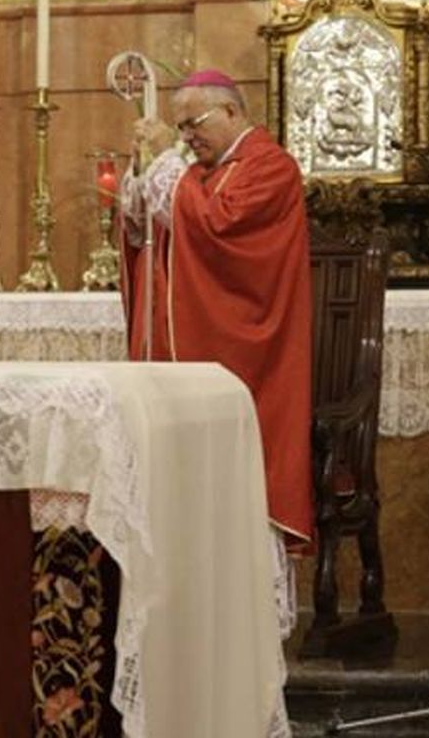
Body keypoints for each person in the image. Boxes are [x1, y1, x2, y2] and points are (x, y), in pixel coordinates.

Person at [121, 69, 314, 549]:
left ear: (231, 111)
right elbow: (153, 237)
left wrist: (167, 161)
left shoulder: (269, 166)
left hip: (245, 357)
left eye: (193, 124)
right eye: (180, 129)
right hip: (184, 354)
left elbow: (215, 229)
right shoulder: (201, 173)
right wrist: (141, 178)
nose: (187, 137)